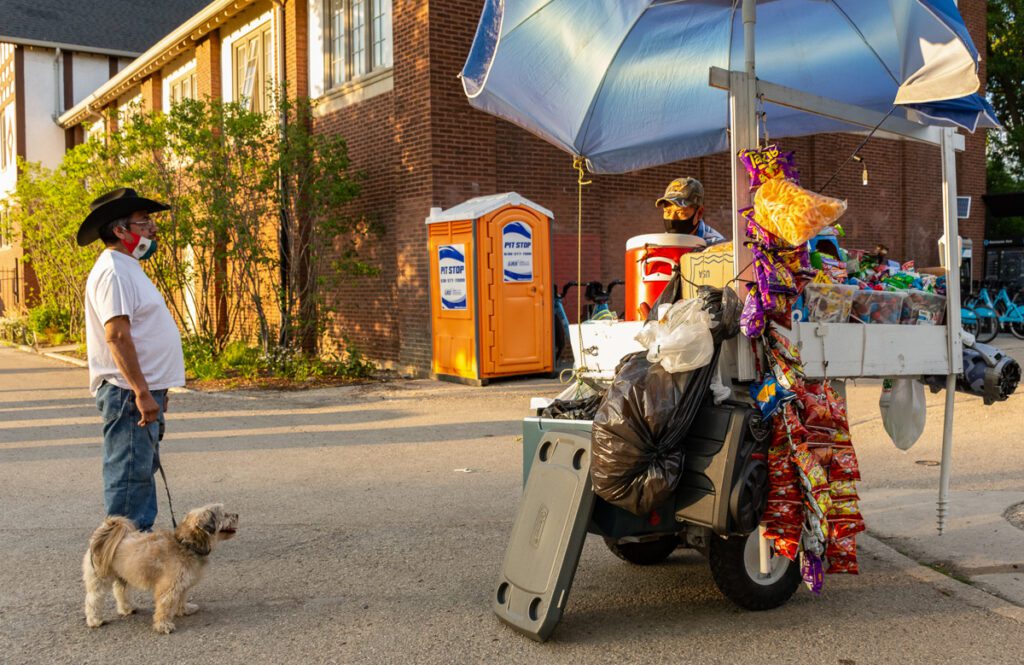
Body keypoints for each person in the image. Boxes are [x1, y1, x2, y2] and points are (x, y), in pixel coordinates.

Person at [77, 188, 184, 531]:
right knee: (128, 477)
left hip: (140, 392)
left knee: (138, 471)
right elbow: (117, 336)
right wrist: (140, 391)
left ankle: (134, 549)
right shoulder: (114, 271)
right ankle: (124, 552)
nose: (153, 228)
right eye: (145, 221)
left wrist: (156, 389)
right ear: (121, 230)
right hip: (127, 393)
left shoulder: (128, 267)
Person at [655, 176, 726, 245]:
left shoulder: (717, 246)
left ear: (699, 213)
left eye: (680, 212)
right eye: (668, 212)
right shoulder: (662, 243)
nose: (672, 218)